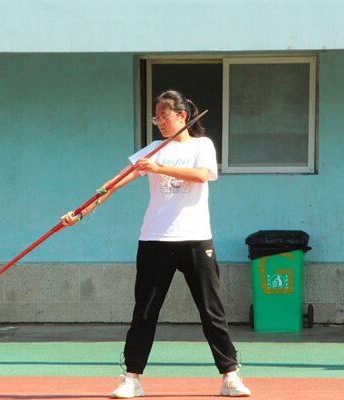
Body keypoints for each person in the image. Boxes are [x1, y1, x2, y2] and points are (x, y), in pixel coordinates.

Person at [61, 90, 251, 398]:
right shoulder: (153, 150)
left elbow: (201, 175)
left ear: (182, 116)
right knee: (145, 312)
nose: (160, 122)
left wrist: (159, 169)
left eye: (165, 116)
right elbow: (113, 185)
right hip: (155, 240)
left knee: (211, 310)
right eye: (156, 117)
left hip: (195, 239)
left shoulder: (202, 145)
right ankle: (131, 378)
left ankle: (230, 376)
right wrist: (81, 212)